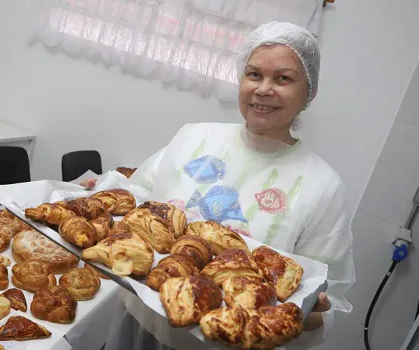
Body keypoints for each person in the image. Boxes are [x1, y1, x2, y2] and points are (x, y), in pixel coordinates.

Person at [89, 21, 355, 349]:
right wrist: (100, 193)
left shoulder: (322, 186)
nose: (263, 89)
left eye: (283, 78)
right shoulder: (195, 138)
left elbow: (322, 299)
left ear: (310, 92)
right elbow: (137, 199)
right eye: (254, 74)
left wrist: (311, 309)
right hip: (141, 325)